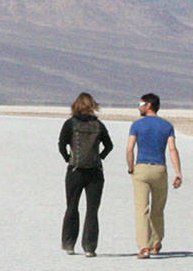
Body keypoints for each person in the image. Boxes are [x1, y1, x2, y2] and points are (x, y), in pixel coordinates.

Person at [125, 92, 182, 258]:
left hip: (141, 169)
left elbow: (130, 149)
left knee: (141, 209)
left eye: (141, 103)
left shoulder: (137, 125)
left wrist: (131, 168)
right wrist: (178, 172)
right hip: (159, 170)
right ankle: (156, 244)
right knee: (158, 209)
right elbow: (172, 149)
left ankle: (144, 247)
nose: (139, 107)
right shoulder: (166, 126)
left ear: (149, 105)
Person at [57, 92, 113, 257]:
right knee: (92, 210)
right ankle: (90, 247)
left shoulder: (70, 124)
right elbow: (109, 146)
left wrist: (68, 158)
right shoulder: (98, 125)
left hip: (75, 171)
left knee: (72, 207)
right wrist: (99, 157)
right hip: (95, 172)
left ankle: (69, 244)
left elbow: (61, 144)